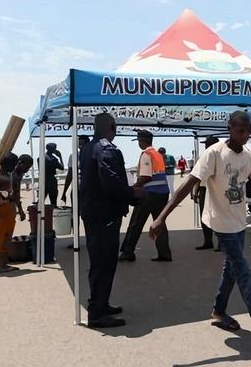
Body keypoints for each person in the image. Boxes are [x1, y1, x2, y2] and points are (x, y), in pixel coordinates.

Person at [149, 111, 251, 350]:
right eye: (240, 131)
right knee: (243, 271)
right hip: (219, 222)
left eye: (248, 131)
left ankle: (218, 311)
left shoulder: (250, 156)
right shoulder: (214, 153)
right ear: (230, 128)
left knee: (231, 270)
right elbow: (187, 185)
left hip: (237, 222)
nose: (245, 136)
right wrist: (162, 216)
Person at [79, 113, 144, 328]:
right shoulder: (106, 148)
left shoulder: (88, 147)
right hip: (104, 214)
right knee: (104, 263)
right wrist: (131, 193)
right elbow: (110, 180)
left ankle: (100, 303)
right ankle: (97, 313)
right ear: (113, 127)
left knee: (100, 262)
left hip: (93, 212)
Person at [119, 130, 172, 262]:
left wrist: (133, 188)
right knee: (159, 223)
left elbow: (146, 177)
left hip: (150, 194)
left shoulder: (146, 154)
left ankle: (128, 253)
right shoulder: (158, 155)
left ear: (141, 141)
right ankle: (165, 254)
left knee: (136, 223)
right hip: (163, 193)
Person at [194, 136, 220, 251]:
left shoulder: (222, 156)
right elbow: (198, 174)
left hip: (216, 189)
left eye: (207, 144)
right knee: (204, 216)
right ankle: (207, 241)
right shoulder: (204, 156)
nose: (205, 146)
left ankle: (221, 242)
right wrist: (196, 189)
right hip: (204, 188)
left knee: (217, 216)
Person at [61, 135, 90, 205]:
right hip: (77, 189)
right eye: (79, 144)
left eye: (83, 144)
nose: (81, 146)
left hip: (90, 189)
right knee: (75, 211)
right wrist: (64, 192)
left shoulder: (93, 155)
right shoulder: (73, 156)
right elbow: (70, 175)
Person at [43, 142, 64, 207]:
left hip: (43, 180)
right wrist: (60, 157)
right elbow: (62, 167)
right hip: (51, 180)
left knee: (41, 200)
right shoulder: (53, 159)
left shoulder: (41, 157)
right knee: (53, 202)